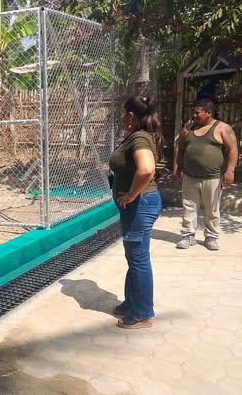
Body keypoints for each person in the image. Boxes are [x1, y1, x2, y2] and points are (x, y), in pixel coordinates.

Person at [109, 95, 163, 329]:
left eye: (122, 112)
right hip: (139, 205)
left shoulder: (139, 137)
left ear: (130, 115)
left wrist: (131, 195)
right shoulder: (137, 135)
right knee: (134, 256)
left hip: (140, 205)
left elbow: (147, 169)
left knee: (139, 258)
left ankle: (142, 313)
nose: (120, 116)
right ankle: (132, 302)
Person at [172, 99, 238, 251]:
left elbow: (233, 149)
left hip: (213, 177)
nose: (194, 115)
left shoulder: (222, 128)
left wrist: (230, 171)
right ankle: (188, 236)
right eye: (193, 112)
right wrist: (176, 169)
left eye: (197, 113)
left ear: (209, 113)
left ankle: (211, 237)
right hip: (190, 176)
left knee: (212, 209)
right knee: (188, 206)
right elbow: (179, 148)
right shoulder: (188, 128)